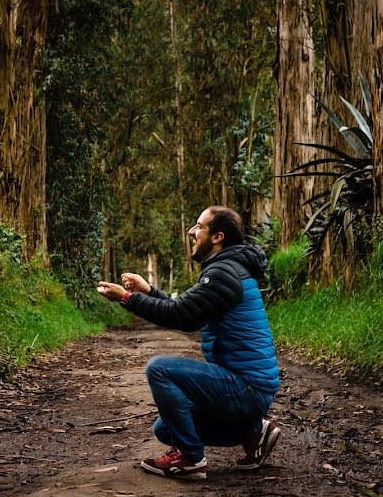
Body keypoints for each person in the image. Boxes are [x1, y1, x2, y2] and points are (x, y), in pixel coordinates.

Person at [96, 206, 280, 480]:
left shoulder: (223, 274)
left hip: (247, 386)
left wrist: (127, 298)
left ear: (217, 237)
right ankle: (254, 433)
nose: (192, 232)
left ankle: (191, 460)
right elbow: (189, 313)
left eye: (198, 226)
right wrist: (148, 291)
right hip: (249, 387)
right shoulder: (230, 269)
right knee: (166, 428)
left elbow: (179, 316)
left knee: (160, 368)